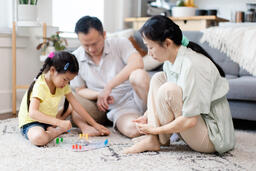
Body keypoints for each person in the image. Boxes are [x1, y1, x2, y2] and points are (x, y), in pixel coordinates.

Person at [124, 15, 235, 154]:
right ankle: (152, 140)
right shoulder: (171, 62)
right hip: (196, 124)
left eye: (151, 47)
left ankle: (154, 137)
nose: (149, 53)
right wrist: (147, 116)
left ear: (168, 43)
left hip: (212, 137)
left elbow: (190, 121)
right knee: (158, 78)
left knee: (168, 89)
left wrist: (156, 129)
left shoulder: (192, 65)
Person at [70, 16, 150, 138]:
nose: (91, 49)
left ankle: (151, 115)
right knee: (134, 130)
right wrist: (100, 94)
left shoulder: (120, 43)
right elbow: (80, 90)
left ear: (104, 35)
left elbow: (137, 63)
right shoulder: (75, 58)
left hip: (136, 97)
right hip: (118, 108)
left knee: (140, 75)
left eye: (95, 43)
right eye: (86, 45)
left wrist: (109, 86)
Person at [18, 51, 110, 146]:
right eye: (65, 79)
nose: (66, 83)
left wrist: (95, 125)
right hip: (32, 122)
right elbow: (33, 113)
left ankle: (53, 129)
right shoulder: (40, 86)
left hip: (49, 121)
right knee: (39, 138)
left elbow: (76, 105)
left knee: (71, 107)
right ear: (53, 70)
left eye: (69, 81)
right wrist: (60, 123)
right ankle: (57, 131)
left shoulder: (62, 84)